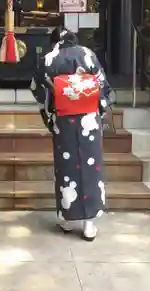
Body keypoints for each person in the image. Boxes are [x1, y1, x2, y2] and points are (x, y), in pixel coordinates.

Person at [30, 27, 113, 241]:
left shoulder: (48, 59)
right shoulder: (87, 54)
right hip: (88, 120)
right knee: (90, 166)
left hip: (64, 120)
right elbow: (102, 85)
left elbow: (37, 89)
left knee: (66, 168)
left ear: (54, 41)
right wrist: (100, 109)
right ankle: (89, 223)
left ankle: (66, 218)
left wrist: (49, 114)